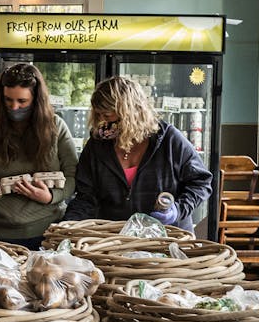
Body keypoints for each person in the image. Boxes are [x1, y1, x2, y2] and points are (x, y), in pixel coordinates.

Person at [65, 75, 213, 232]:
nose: (102, 122)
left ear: (131, 114)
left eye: (107, 116)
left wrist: (177, 210)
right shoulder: (98, 145)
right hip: (115, 239)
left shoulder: (168, 140)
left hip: (166, 237)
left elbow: (201, 181)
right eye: (98, 115)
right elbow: (86, 197)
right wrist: (69, 225)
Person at [0, 62, 78, 249]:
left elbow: (73, 175)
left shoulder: (56, 127)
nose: (14, 107)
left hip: (46, 232)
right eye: (8, 100)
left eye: (22, 102)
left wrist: (52, 196)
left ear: (36, 99)